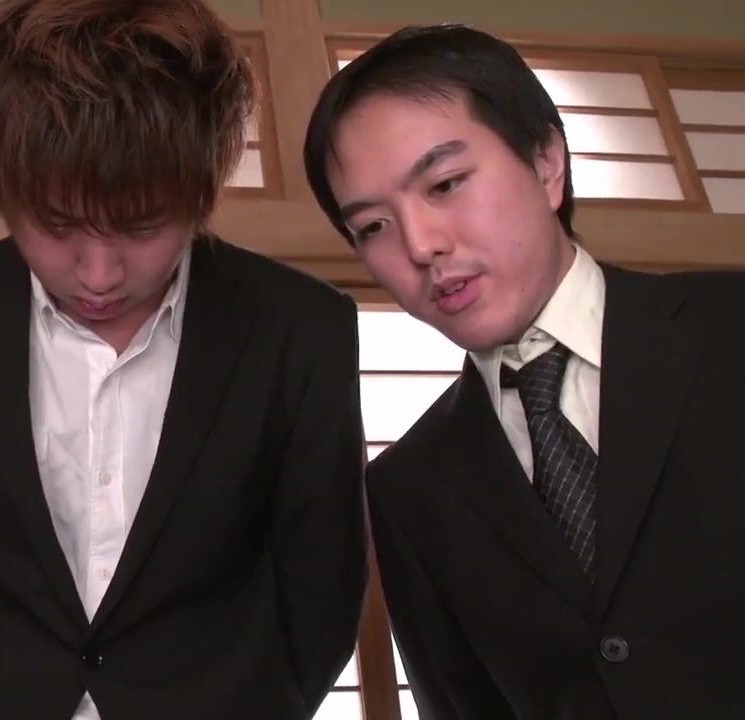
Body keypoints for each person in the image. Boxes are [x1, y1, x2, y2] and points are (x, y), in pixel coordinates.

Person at [0, 1, 367, 718]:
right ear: (6, 190)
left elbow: (323, 589)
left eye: (142, 227)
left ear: (201, 193)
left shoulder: (301, 326)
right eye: (57, 225)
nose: (99, 275)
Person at [304, 23, 745, 720]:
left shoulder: (728, 325)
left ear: (546, 163)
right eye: (373, 227)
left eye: (445, 183)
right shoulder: (408, 488)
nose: (420, 245)